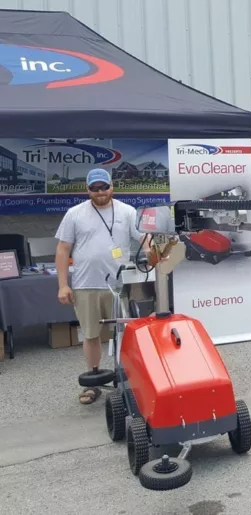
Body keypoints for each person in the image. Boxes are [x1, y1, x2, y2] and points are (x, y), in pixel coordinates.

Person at [54, 169, 147, 405]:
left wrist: (157, 255)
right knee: (92, 335)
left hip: (119, 285)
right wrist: (63, 285)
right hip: (86, 285)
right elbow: (63, 249)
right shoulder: (74, 214)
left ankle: (130, 382)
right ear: (87, 190)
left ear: (112, 187)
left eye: (103, 187)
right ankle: (94, 383)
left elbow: (144, 239)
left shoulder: (127, 211)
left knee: (125, 335)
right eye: (94, 188)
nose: (100, 192)